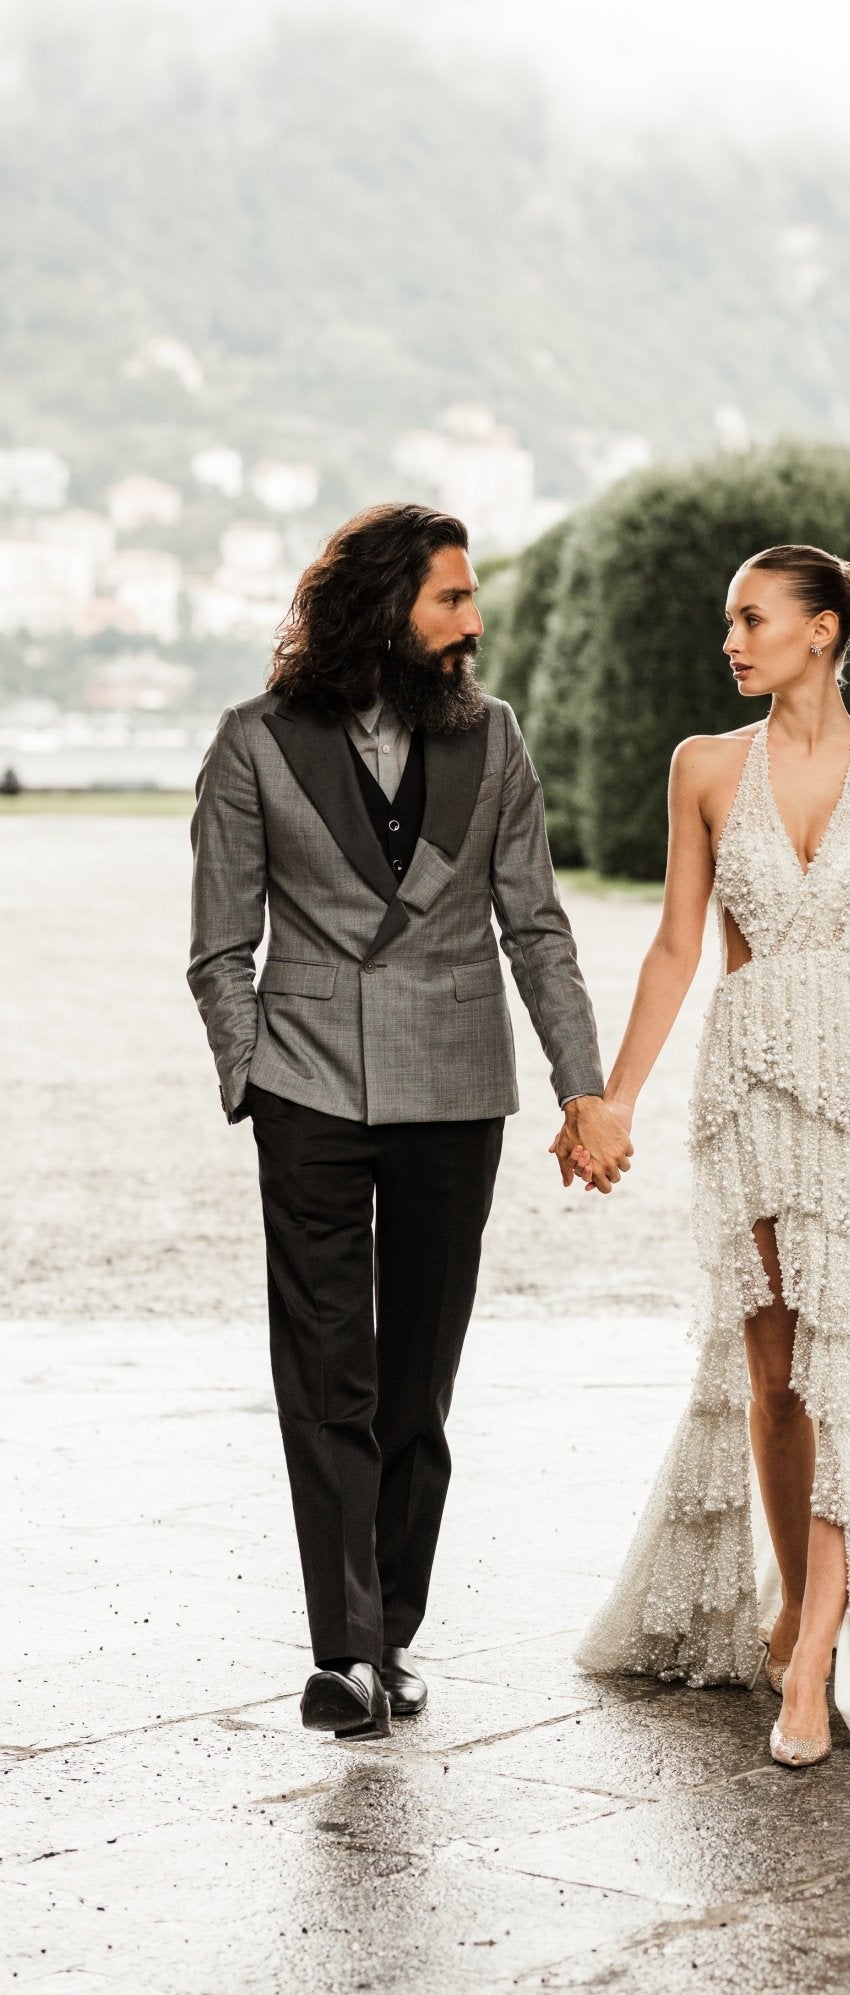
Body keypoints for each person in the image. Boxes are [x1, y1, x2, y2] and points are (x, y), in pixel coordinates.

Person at [569, 543, 850, 1765]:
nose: (732, 639)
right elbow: (676, 947)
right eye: (731, 622)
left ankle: (816, 1654)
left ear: (821, 631)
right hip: (754, 1078)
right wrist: (610, 1097)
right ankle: (786, 1608)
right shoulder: (707, 768)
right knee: (775, 1367)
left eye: (753, 619)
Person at [188, 503, 631, 1739]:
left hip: (454, 1091)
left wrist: (581, 1087)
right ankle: (346, 1653)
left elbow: (535, 928)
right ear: (384, 607)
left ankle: (391, 1629)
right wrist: (256, 1077)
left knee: (415, 1383)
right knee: (325, 1373)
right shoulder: (255, 743)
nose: (472, 622)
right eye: (450, 599)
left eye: (471, 599)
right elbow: (221, 948)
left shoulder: (493, 739)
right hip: (311, 1091)